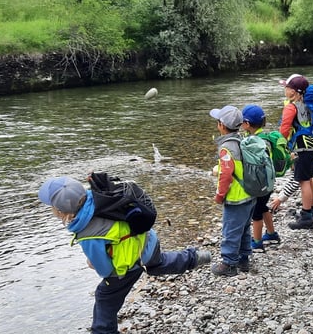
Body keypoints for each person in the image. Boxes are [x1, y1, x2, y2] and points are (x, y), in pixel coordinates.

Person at [37, 176, 211, 334]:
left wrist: (92, 263)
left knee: (104, 297)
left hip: (132, 262)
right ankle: (194, 257)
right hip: (148, 241)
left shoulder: (87, 233)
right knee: (158, 264)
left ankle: (103, 331)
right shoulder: (100, 199)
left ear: (62, 212)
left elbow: (105, 270)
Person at [210, 105, 256, 275]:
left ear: (222, 125)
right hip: (250, 194)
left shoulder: (226, 148)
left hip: (236, 198)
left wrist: (219, 195)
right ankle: (244, 260)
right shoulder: (241, 140)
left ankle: (229, 264)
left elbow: (226, 175)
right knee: (244, 228)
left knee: (230, 230)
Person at [278, 74, 313, 230]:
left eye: (287, 87)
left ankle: (306, 217)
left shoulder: (292, 107)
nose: (285, 89)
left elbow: (284, 130)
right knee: (309, 178)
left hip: (303, 148)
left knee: (304, 181)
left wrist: (281, 147)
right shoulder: (310, 104)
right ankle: (312, 212)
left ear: (294, 91)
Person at [240, 104, 281, 252]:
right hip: (269, 182)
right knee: (263, 207)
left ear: (247, 124)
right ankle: (271, 234)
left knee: (256, 213)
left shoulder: (254, 142)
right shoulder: (266, 137)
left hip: (259, 184)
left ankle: (257, 243)